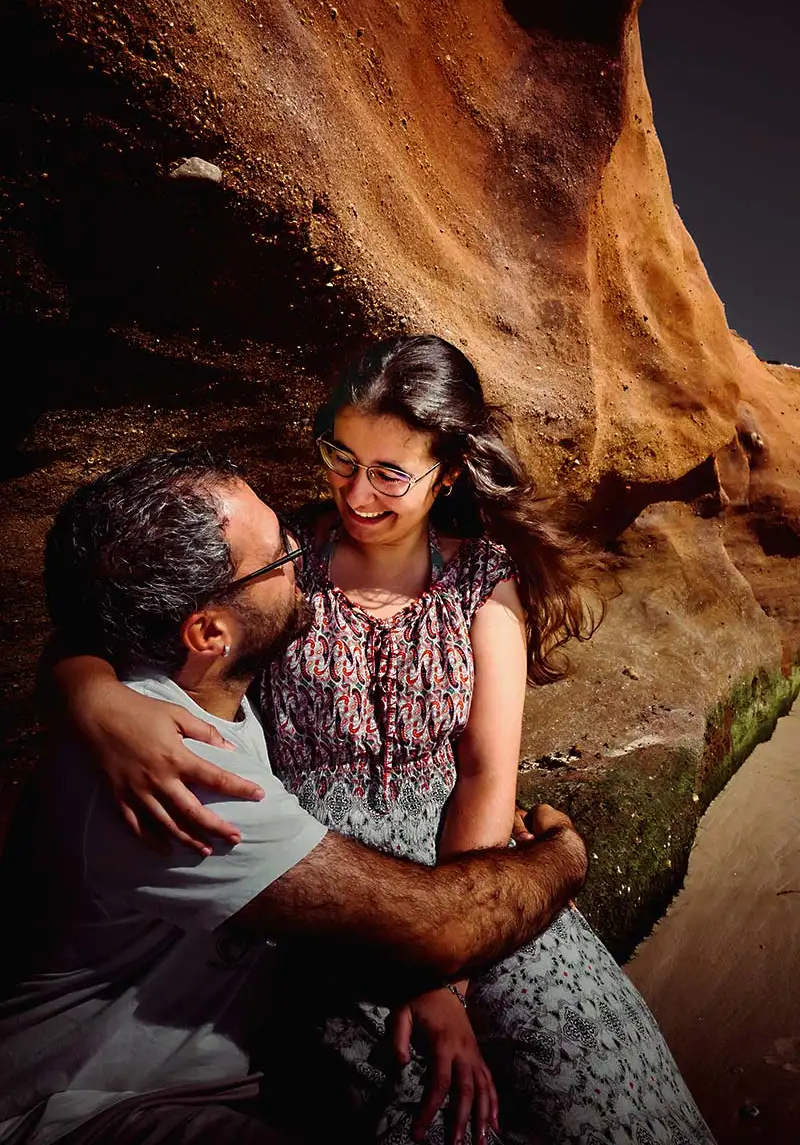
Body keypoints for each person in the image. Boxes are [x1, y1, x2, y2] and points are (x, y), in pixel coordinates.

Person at [50, 338, 716, 1145]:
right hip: (329, 895)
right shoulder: (278, 566)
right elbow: (123, 617)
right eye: (342, 455)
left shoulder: (482, 579)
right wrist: (91, 695)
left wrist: (451, 978)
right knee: (427, 1110)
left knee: (612, 1091)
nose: (356, 492)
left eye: (391, 472)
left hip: (476, 876)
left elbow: (482, 772)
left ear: (450, 473)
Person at [0, 448, 589, 1145]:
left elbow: (78, 628)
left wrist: (83, 687)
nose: (303, 556)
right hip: (82, 1108)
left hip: (198, 1078)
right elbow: (443, 926)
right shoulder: (182, 778)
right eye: (280, 555)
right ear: (209, 632)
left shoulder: (162, 689)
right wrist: (566, 853)